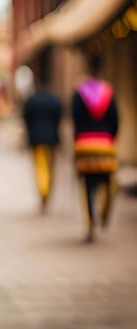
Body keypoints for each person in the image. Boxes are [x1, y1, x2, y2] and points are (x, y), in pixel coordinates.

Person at [71, 54, 119, 242]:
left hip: (84, 145)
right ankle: (104, 212)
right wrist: (109, 138)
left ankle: (91, 223)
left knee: (87, 184)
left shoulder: (79, 92)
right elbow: (115, 120)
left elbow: (74, 119)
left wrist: (78, 141)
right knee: (108, 180)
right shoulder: (109, 92)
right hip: (105, 144)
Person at [22, 75, 62, 212]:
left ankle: (43, 191)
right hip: (52, 138)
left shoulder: (32, 101)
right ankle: (47, 191)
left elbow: (26, 119)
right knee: (50, 167)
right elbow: (58, 118)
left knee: (40, 165)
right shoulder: (55, 100)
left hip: (36, 138)